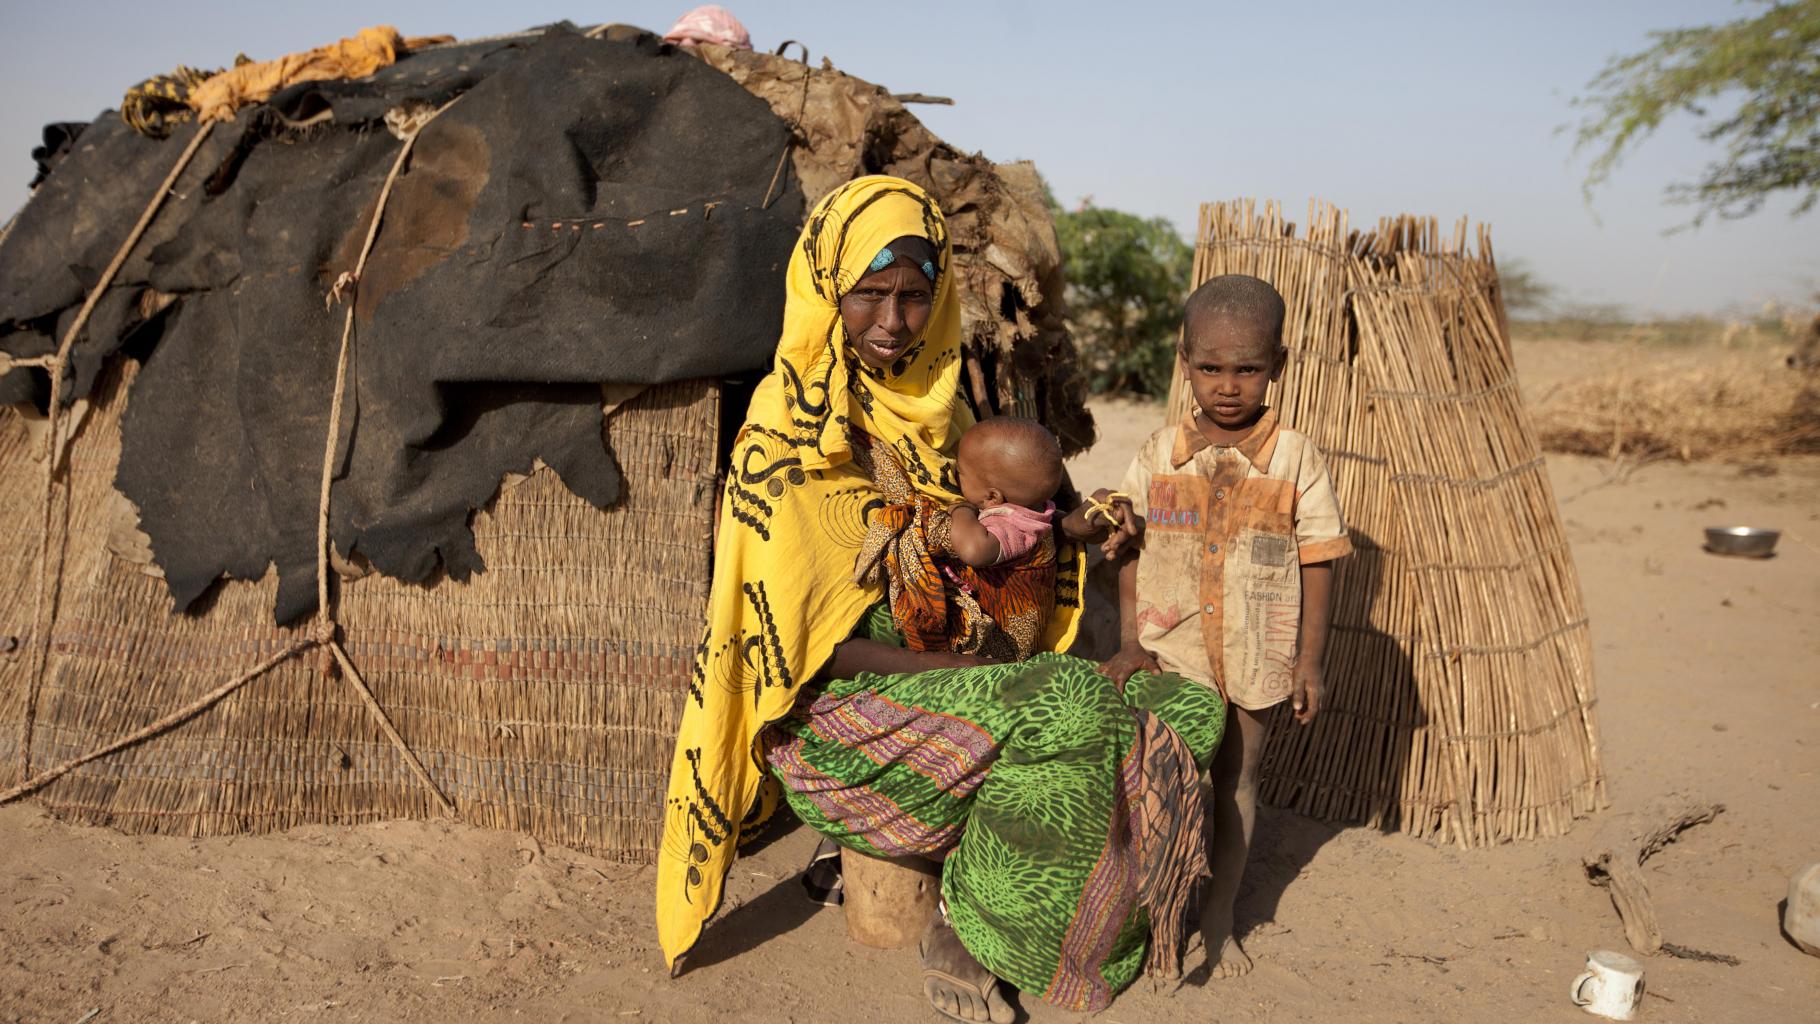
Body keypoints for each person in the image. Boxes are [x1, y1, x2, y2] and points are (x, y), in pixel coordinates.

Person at [656, 176, 1223, 1022]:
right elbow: (814, 649)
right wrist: (947, 665)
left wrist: (1080, 531)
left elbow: (1016, 526)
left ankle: (1082, 910)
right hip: (840, 714)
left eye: (915, 297)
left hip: (950, 676)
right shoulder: (788, 441)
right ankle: (976, 928)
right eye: (870, 294)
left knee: (1182, 703)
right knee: (1070, 700)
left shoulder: (941, 413)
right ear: (826, 290)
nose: (892, 322)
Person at [1099, 274, 1351, 979]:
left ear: (1280, 366)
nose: (1228, 385)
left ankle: (1220, 919)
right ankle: (1159, 912)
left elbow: (1320, 561)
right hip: (1172, 652)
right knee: (1162, 785)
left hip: (1257, 656)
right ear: (1185, 363)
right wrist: (1128, 642)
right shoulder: (1158, 454)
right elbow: (1129, 551)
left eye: (1248, 369)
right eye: (1211, 368)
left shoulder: (1296, 458)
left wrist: (1308, 662)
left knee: (1236, 787)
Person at [856, 416, 1069, 662]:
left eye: (961, 473)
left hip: (1001, 643)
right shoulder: (1034, 509)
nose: (954, 475)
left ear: (992, 497)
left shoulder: (1014, 524)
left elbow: (973, 550)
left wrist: (962, 510)